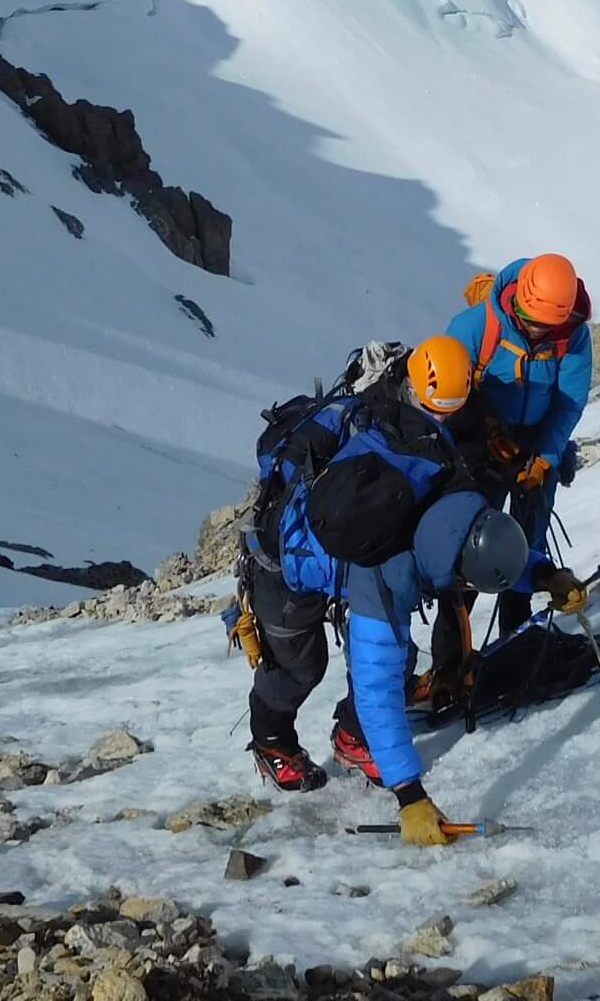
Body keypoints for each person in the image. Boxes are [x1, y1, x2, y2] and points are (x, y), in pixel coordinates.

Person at [234, 335, 574, 843]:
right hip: (283, 565)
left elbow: (482, 546)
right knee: (301, 666)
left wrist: (544, 575)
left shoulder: (450, 489)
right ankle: (272, 739)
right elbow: (376, 691)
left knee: (401, 656)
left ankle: (352, 740)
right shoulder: (387, 575)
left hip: (345, 545)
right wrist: (411, 798)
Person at [443, 254, 596, 639]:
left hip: (536, 441)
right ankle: (455, 655)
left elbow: (568, 402)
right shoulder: (474, 328)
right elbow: (449, 399)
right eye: (530, 323)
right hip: (480, 446)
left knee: (528, 540)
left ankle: (518, 634)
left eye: (547, 327)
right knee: (474, 545)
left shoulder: (572, 336)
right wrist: (484, 437)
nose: (537, 333)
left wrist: (545, 458)